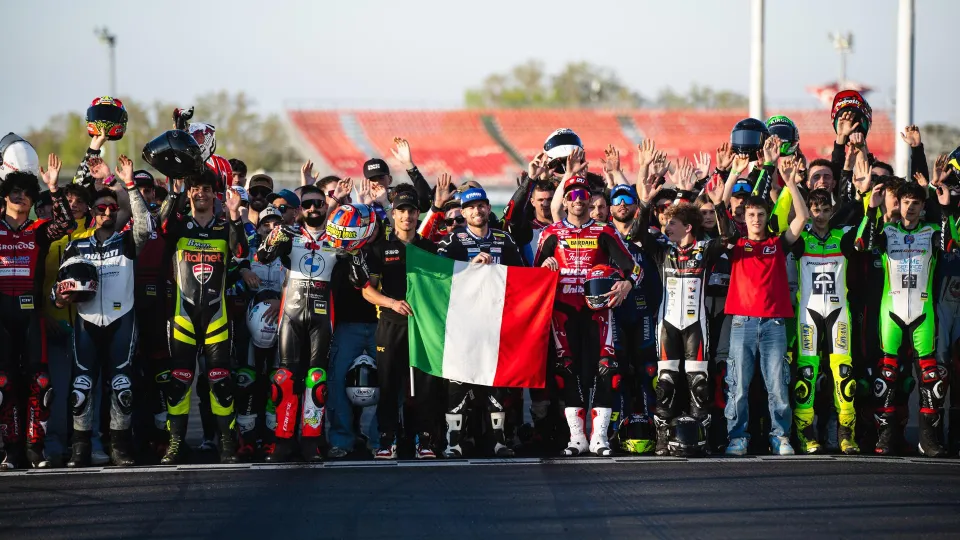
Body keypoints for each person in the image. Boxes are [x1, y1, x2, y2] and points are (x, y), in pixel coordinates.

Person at [534, 169, 642, 457]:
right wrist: (543, 268)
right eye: (573, 195)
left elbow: (635, 268)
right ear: (565, 202)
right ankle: (577, 438)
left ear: (590, 199)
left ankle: (600, 438)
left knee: (607, 371)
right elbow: (531, 276)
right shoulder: (551, 233)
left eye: (584, 195)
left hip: (599, 313)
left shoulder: (604, 231)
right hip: (563, 313)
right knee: (568, 371)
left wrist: (626, 284)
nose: (579, 200)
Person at [56, 156, 151, 467]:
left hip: (121, 319)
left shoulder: (127, 242)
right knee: (81, 387)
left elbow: (145, 225)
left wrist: (125, 184)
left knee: (122, 385)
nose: (107, 211)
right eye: (101, 208)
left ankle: (119, 445)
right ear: (93, 213)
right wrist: (57, 298)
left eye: (112, 208)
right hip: (86, 322)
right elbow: (58, 285)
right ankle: (80, 447)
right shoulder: (75, 246)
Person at [855, 178, 957, 457]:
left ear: (923, 206)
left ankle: (928, 439)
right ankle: (885, 437)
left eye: (916, 203)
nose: (910, 208)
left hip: (923, 313)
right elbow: (861, 244)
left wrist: (945, 208)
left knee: (930, 376)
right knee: (886, 374)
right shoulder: (887, 231)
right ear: (897, 205)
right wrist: (871, 210)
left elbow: (951, 246)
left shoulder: (932, 231)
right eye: (905, 203)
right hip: (892, 312)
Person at [634, 172, 732, 456]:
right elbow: (637, 234)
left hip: (696, 326)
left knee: (699, 385)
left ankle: (700, 439)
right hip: (667, 325)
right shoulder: (662, 251)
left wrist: (720, 206)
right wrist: (645, 202)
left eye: (672, 224)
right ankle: (663, 440)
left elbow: (729, 237)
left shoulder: (705, 250)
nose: (666, 227)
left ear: (688, 227)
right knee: (665, 384)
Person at [723, 139, 809, 457]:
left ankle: (780, 436)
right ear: (744, 218)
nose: (756, 219)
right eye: (751, 215)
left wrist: (789, 183)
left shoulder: (777, 244)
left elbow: (800, 219)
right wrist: (733, 175)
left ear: (767, 215)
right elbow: (721, 207)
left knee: (777, 387)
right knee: (739, 386)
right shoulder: (737, 244)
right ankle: (737, 437)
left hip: (774, 325)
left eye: (761, 214)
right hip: (742, 323)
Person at [157, 169, 248, 465]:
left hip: (216, 316)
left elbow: (241, 250)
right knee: (179, 381)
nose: (201, 194)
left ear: (215, 194)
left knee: (220, 381)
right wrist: (175, 191)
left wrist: (235, 216)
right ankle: (175, 443)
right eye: (196, 189)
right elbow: (162, 226)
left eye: (207, 189)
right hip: (183, 315)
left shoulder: (224, 228)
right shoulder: (180, 226)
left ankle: (226, 444)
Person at [256, 184, 350, 462]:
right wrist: (274, 237)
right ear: (300, 209)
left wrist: (354, 253)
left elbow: (358, 278)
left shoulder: (337, 239)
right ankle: (283, 440)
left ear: (325, 207)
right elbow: (262, 257)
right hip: (291, 316)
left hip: (323, 317)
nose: (313, 208)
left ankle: (311, 440)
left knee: (317, 379)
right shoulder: (289, 235)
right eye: (307, 204)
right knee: (284, 379)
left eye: (318, 204)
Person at [436, 186, 524, 458]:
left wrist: (543, 272)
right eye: (471, 207)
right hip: (461, 325)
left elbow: (522, 278)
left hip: (496, 325)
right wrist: (468, 267)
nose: (477, 210)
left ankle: (500, 441)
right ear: (463, 212)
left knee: (495, 381)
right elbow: (437, 279)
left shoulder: (505, 240)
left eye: (481, 205)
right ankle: (454, 442)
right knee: (457, 382)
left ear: (488, 208)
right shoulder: (452, 241)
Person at [0, 156, 73, 470]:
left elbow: (67, 224)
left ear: (32, 200)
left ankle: (35, 449)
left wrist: (53, 188)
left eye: (26, 193)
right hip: (1, 317)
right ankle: (11, 450)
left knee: (40, 381)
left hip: (32, 316)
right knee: (4, 383)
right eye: (14, 192)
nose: (20, 197)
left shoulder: (39, 230)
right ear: (5, 196)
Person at [789, 187, 860, 455]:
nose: (819, 215)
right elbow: (776, 225)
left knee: (844, 373)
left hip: (838, 311)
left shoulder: (843, 237)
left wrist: (868, 200)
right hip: (809, 313)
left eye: (825, 210)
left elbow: (866, 230)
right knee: (806, 372)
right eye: (815, 210)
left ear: (833, 211)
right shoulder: (801, 238)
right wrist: (789, 184)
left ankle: (846, 434)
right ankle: (805, 432)